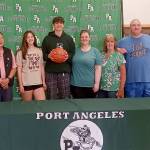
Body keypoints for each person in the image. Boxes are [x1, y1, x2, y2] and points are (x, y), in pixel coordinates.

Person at [42, 16, 75, 99]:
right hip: (50, 72)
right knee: (51, 96)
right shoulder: (47, 39)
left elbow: (73, 53)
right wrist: (48, 56)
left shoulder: (69, 39)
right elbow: (43, 55)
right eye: (56, 23)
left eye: (60, 23)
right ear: (53, 25)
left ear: (63, 25)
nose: (59, 25)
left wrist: (67, 56)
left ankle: (65, 112)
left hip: (64, 71)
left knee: (65, 97)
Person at [118, 19, 150, 97]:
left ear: (141, 27)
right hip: (130, 81)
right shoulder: (122, 42)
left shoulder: (148, 39)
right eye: (133, 25)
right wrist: (117, 51)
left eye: (138, 25)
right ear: (130, 28)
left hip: (148, 80)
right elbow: (115, 57)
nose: (136, 27)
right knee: (133, 106)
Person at [71, 30, 101, 98]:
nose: (84, 38)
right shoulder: (74, 51)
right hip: (75, 85)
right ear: (80, 38)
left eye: (86, 37)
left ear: (89, 38)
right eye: (82, 37)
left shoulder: (95, 51)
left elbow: (98, 69)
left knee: (90, 107)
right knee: (77, 107)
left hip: (90, 86)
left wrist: (97, 84)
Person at [16, 30, 46, 101]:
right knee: (27, 107)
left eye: (32, 36)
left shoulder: (39, 51)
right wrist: (20, 85)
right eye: (28, 37)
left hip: (38, 83)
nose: (30, 38)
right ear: (25, 40)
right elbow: (19, 70)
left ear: (34, 38)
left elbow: (41, 67)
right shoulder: (20, 52)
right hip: (26, 84)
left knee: (42, 106)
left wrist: (44, 82)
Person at [97, 34, 126, 98]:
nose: (109, 43)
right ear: (105, 43)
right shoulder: (101, 55)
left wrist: (121, 89)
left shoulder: (119, 56)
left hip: (114, 89)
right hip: (102, 88)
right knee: (102, 107)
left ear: (115, 43)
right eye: (107, 41)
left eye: (112, 41)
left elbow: (123, 75)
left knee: (113, 107)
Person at [0, 32, 16, 101]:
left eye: (1, 38)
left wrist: (8, 79)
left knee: (8, 108)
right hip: (2, 83)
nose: (0, 40)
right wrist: (0, 81)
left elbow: (14, 67)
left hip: (8, 86)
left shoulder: (9, 51)